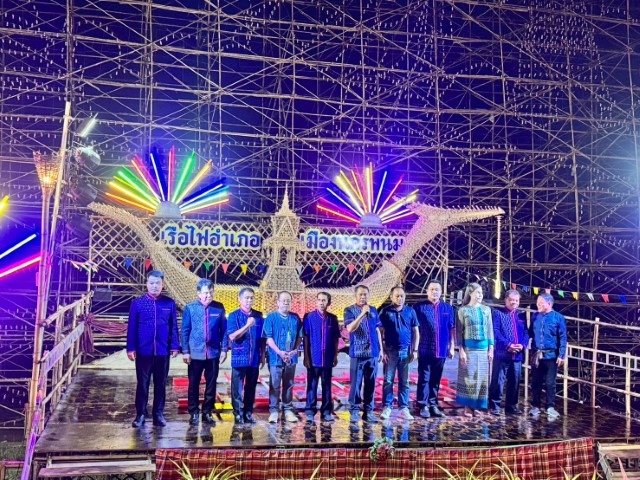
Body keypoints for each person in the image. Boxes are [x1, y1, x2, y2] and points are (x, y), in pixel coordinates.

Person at [127, 271, 179, 427]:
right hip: (143, 351)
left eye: (158, 283)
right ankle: (141, 414)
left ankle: (158, 414)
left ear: (162, 284)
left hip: (162, 351)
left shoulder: (169, 303)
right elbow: (132, 327)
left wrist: (175, 346)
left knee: (160, 384)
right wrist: (131, 348)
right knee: (142, 384)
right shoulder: (138, 303)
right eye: (151, 283)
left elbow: (173, 326)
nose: (154, 286)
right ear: (147, 284)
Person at [181, 279, 227, 426]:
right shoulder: (190, 308)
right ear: (199, 293)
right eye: (206, 293)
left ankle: (207, 412)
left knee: (211, 384)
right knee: (193, 384)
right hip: (195, 353)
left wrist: (224, 349)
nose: (209, 295)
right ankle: (194, 412)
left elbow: (224, 330)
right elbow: (185, 330)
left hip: (213, 353)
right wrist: (185, 351)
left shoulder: (219, 308)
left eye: (211, 292)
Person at [413, 279, 455, 418]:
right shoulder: (418, 307)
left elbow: (451, 328)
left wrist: (452, 346)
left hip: (441, 348)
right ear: (427, 291)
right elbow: (414, 329)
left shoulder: (448, 308)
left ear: (441, 292)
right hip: (424, 348)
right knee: (424, 377)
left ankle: (433, 404)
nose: (434, 292)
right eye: (432, 289)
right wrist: (414, 348)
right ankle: (422, 404)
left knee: (436, 378)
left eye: (437, 289)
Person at [344, 285, 383, 424]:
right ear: (355, 296)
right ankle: (354, 411)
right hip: (358, 353)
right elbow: (350, 328)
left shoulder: (373, 309)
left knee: (371, 384)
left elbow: (377, 330)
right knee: (356, 384)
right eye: (360, 294)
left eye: (365, 294)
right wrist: (362, 314)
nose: (363, 297)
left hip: (372, 352)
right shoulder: (349, 310)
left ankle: (368, 411)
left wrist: (381, 349)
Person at [379, 286, 419, 421]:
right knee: (388, 380)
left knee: (405, 381)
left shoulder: (410, 311)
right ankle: (387, 406)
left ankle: (403, 408)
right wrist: (383, 350)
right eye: (397, 296)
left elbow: (416, 331)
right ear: (391, 297)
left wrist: (415, 350)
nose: (400, 298)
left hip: (406, 351)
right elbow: (380, 332)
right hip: (390, 351)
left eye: (402, 295)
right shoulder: (385, 312)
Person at [262, 291, 303, 423]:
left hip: (291, 357)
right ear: (278, 302)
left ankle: (288, 409)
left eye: (288, 301)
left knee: (289, 384)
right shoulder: (271, 317)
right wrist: (279, 352)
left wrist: (295, 350)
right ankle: (274, 410)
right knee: (275, 384)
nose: (286, 303)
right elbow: (268, 338)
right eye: (283, 300)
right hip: (275, 357)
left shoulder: (295, 318)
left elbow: (300, 336)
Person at [226, 287, 265, 425]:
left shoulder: (258, 316)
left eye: (251, 298)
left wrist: (263, 355)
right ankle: (237, 413)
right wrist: (248, 325)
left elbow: (263, 337)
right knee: (237, 387)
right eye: (246, 298)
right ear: (240, 299)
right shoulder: (233, 316)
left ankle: (248, 412)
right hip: (239, 356)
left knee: (251, 386)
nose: (249, 300)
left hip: (254, 356)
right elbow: (232, 336)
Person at [456, 282, 494, 417]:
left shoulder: (486, 310)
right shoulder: (463, 310)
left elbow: (490, 330)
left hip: (483, 349)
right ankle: (468, 406)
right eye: (477, 292)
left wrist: (491, 349)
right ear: (470, 293)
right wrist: (461, 350)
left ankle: (477, 406)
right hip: (469, 349)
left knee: (481, 378)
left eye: (481, 293)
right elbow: (459, 332)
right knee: (469, 377)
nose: (480, 295)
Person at [488, 289, 529, 415]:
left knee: (515, 381)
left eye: (516, 300)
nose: (514, 302)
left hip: (517, 355)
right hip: (502, 353)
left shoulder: (521, 315)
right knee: (498, 381)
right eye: (511, 300)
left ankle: (512, 406)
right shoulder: (498, 313)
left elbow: (526, 333)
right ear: (506, 300)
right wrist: (508, 345)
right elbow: (495, 331)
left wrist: (523, 345)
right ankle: (494, 405)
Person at [303, 292, 340, 423]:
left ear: (328, 302)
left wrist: (335, 356)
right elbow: (306, 337)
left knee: (327, 386)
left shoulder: (332, 319)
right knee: (312, 385)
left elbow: (336, 339)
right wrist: (306, 357)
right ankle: (310, 411)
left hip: (328, 358)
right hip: (314, 358)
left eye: (324, 300)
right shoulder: (309, 317)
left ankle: (326, 412)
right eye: (319, 300)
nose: (321, 302)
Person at [529, 293, 567, 418]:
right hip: (536, 354)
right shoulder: (535, 316)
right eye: (537, 303)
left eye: (541, 303)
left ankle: (550, 406)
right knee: (536, 381)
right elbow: (530, 332)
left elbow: (563, 337)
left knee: (550, 383)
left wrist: (561, 355)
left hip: (551, 356)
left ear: (549, 304)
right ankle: (536, 406)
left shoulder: (558, 318)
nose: (538, 305)